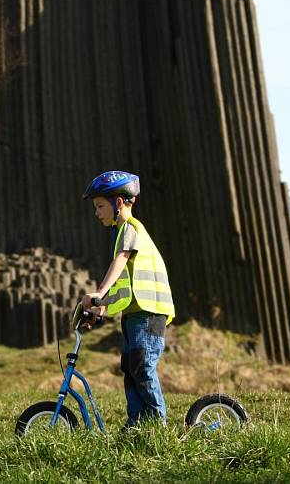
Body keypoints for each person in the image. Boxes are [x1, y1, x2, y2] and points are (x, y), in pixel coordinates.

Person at [81, 170, 175, 428]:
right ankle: (136, 425)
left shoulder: (130, 228)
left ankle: (158, 427)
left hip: (150, 311)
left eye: (100, 206)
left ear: (119, 203)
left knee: (143, 367)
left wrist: (99, 293)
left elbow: (119, 262)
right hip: (135, 312)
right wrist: (103, 307)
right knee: (131, 370)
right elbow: (125, 280)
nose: (97, 212)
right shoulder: (120, 232)